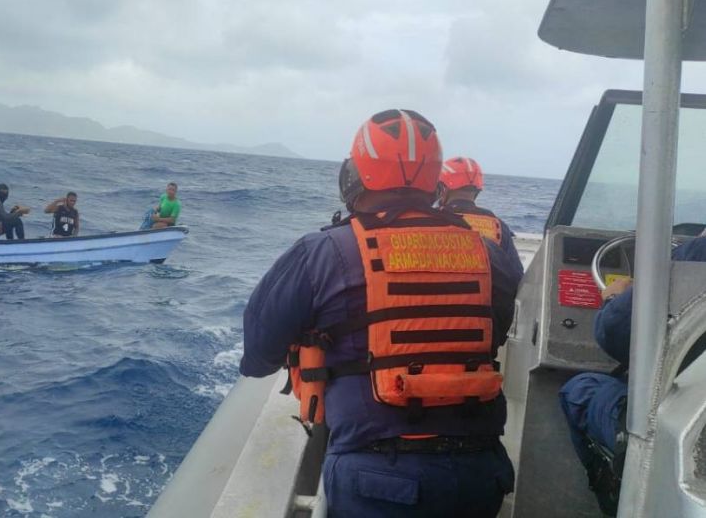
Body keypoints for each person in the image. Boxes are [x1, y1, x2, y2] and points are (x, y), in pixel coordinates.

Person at [240, 109, 523, 517]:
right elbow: (497, 326)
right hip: (480, 475)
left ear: (356, 174)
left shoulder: (323, 251)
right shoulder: (489, 253)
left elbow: (260, 353)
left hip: (375, 480)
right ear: (432, 179)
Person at [558, 236, 706, 516]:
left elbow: (614, 333)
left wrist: (614, 297)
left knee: (578, 391)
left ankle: (617, 499)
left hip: (683, 429)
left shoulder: (694, 255)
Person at [438, 156, 523, 276]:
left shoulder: (432, 219)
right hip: (488, 293)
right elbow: (517, 275)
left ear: (443, 189)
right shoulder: (498, 226)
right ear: (477, 190)